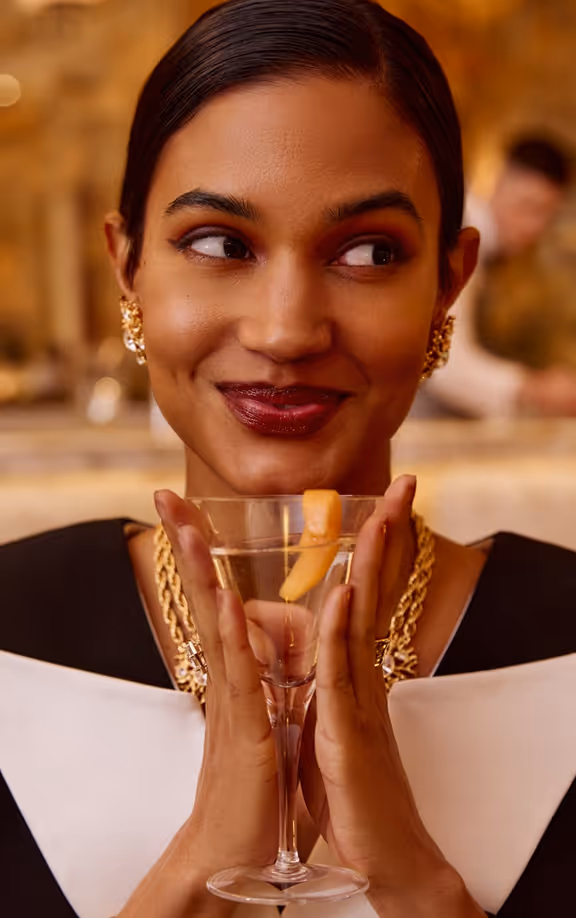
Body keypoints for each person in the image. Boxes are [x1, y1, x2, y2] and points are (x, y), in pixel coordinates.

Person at [1, 2, 574, 917]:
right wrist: (197, 871)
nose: (285, 330)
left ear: (448, 283)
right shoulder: (14, 629)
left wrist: (419, 886)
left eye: (368, 252)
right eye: (219, 243)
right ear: (127, 265)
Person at [418, 135, 576, 418]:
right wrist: (534, 390)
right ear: (493, 181)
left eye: (547, 216)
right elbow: (441, 365)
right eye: (529, 206)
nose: (536, 228)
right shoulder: (456, 234)